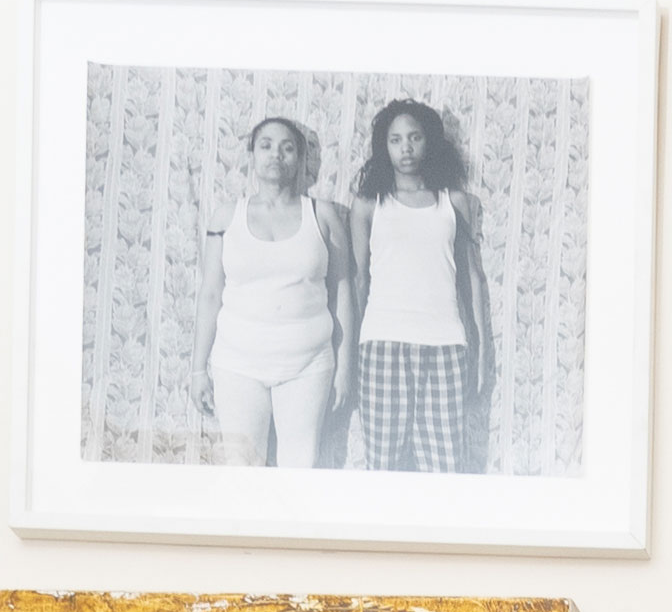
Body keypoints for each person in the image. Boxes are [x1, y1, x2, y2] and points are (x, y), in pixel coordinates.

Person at [334, 99, 489, 477]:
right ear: (383, 147)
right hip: (382, 345)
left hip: (446, 346)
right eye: (396, 140)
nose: (406, 148)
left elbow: (472, 278)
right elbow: (358, 279)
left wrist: (482, 351)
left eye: (415, 138)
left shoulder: (456, 202)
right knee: (383, 468)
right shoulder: (369, 205)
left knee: (444, 469)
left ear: (429, 143)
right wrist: (351, 354)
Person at [205, 116, 342, 467]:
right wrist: (195, 372)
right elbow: (209, 294)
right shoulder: (225, 216)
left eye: (287, 147)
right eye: (265, 145)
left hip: (308, 365)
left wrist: (345, 368)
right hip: (236, 363)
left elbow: (344, 294)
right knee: (241, 472)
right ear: (251, 155)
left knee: (299, 470)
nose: (276, 155)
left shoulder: (322, 216)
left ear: (300, 159)